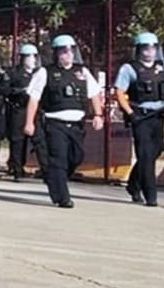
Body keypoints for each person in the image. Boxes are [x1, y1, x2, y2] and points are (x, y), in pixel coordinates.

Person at [24, 34, 104, 208]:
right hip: (55, 123)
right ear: (56, 53)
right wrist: (29, 122)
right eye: (63, 51)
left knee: (76, 157)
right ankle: (62, 197)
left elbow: (94, 94)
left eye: (70, 51)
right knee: (58, 160)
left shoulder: (82, 72)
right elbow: (34, 99)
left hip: (77, 125)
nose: (68, 54)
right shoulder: (45, 72)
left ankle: (55, 179)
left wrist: (98, 115)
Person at [115, 32, 164, 207]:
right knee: (145, 154)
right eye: (145, 48)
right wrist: (130, 113)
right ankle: (150, 195)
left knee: (155, 152)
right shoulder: (129, 68)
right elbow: (119, 93)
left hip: (158, 115)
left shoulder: (163, 66)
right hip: (141, 116)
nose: (149, 52)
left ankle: (133, 184)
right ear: (139, 50)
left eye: (152, 48)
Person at [6, 44, 42, 181]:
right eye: (29, 57)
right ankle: (17, 169)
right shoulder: (14, 73)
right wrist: (20, 91)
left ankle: (45, 169)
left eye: (34, 57)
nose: (32, 59)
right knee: (18, 141)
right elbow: (4, 90)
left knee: (39, 140)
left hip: (36, 110)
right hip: (19, 109)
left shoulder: (39, 73)